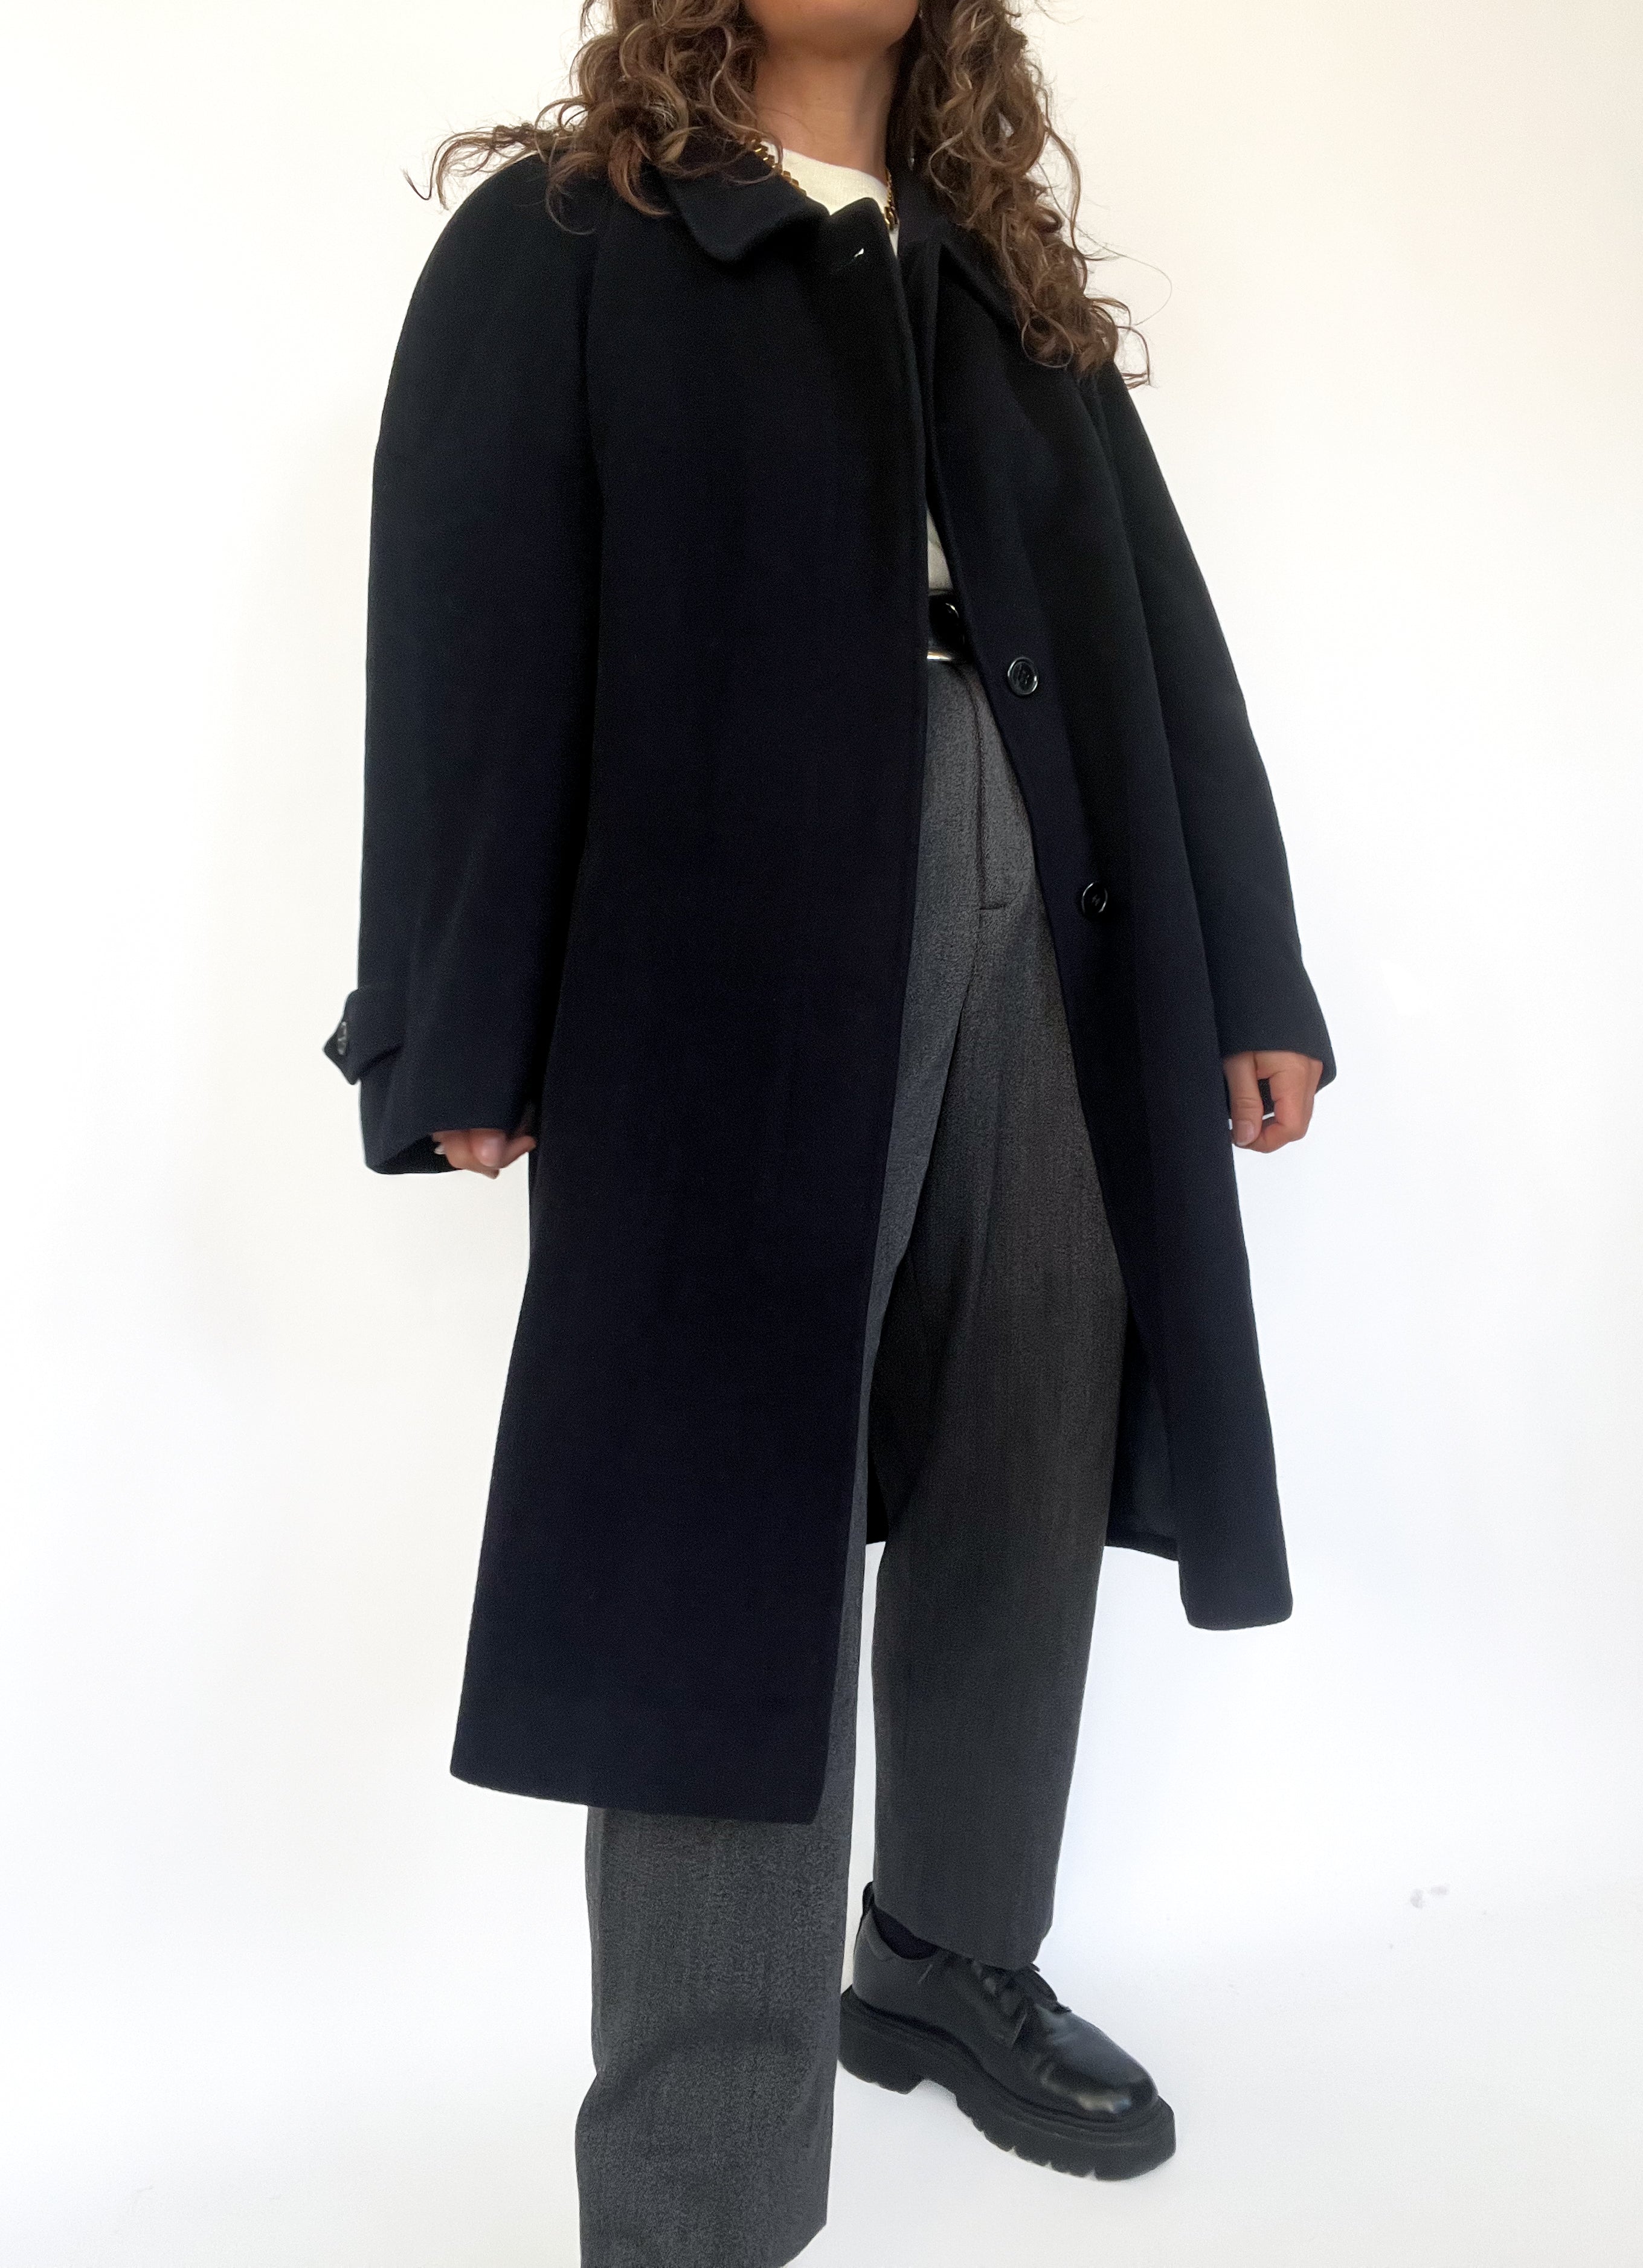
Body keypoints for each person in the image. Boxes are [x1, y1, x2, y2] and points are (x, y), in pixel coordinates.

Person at [324, 1, 1333, 2260]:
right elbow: (468, 625)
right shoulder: (573, 236)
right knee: (725, 1526)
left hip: (1054, 894)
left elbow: (1160, 635)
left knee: (1026, 1436)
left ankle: (948, 1955)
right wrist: (454, 1019)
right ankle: (698, 2180)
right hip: (727, 944)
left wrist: (1251, 972)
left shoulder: (996, 267)